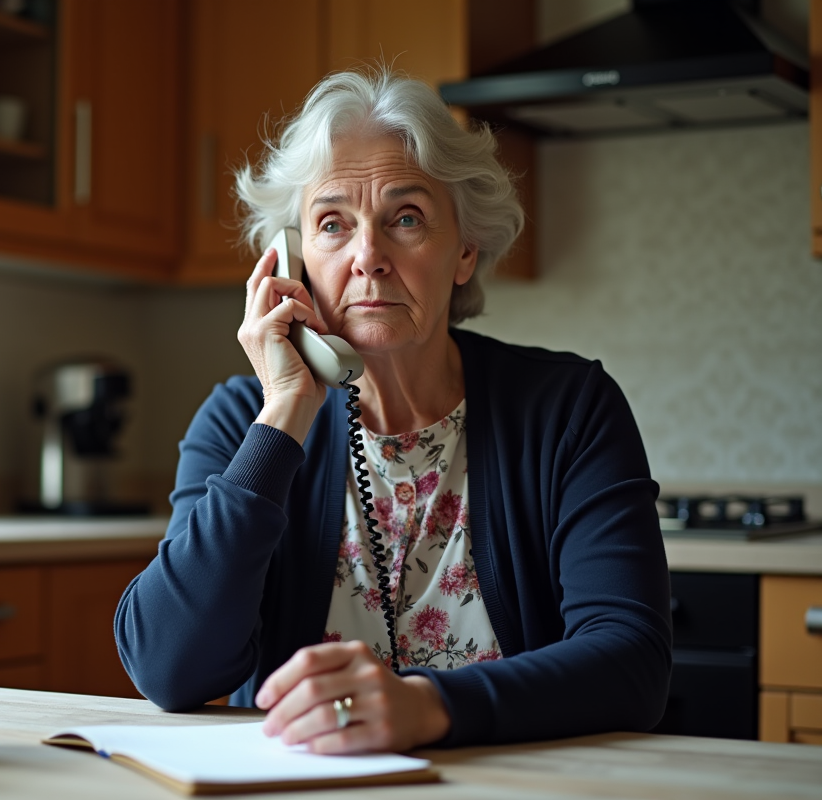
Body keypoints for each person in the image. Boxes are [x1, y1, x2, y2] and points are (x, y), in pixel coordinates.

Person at [114, 67, 671, 753]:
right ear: (292, 262)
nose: (368, 256)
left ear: (464, 251)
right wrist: (284, 414)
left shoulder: (569, 409)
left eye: (406, 218)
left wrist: (430, 707)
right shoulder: (242, 422)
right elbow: (167, 668)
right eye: (331, 224)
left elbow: (632, 663)